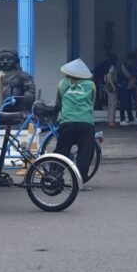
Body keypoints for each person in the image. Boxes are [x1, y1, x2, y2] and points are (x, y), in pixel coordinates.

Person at [54, 58, 96, 186]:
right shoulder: (91, 85)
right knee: (85, 153)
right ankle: (80, 181)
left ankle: (55, 178)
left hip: (67, 122)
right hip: (86, 122)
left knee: (61, 151)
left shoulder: (62, 83)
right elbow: (92, 103)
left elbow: (59, 103)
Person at [117, 53, 136, 125]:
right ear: (129, 60)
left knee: (129, 103)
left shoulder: (130, 66)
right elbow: (128, 75)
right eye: (132, 60)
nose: (133, 62)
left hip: (128, 87)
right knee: (123, 103)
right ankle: (122, 119)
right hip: (122, 87)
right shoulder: (123, 66)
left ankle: (131, 119)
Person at [103, 54, 118, 127]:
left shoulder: (106, 66)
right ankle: (111, 121)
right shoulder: (112, 66)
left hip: (107, 86)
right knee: (113, 104)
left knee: (110, 104)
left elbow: (105, 77)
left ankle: (110, 120)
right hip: (111, 86)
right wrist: (113, 85)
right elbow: (109, 76)